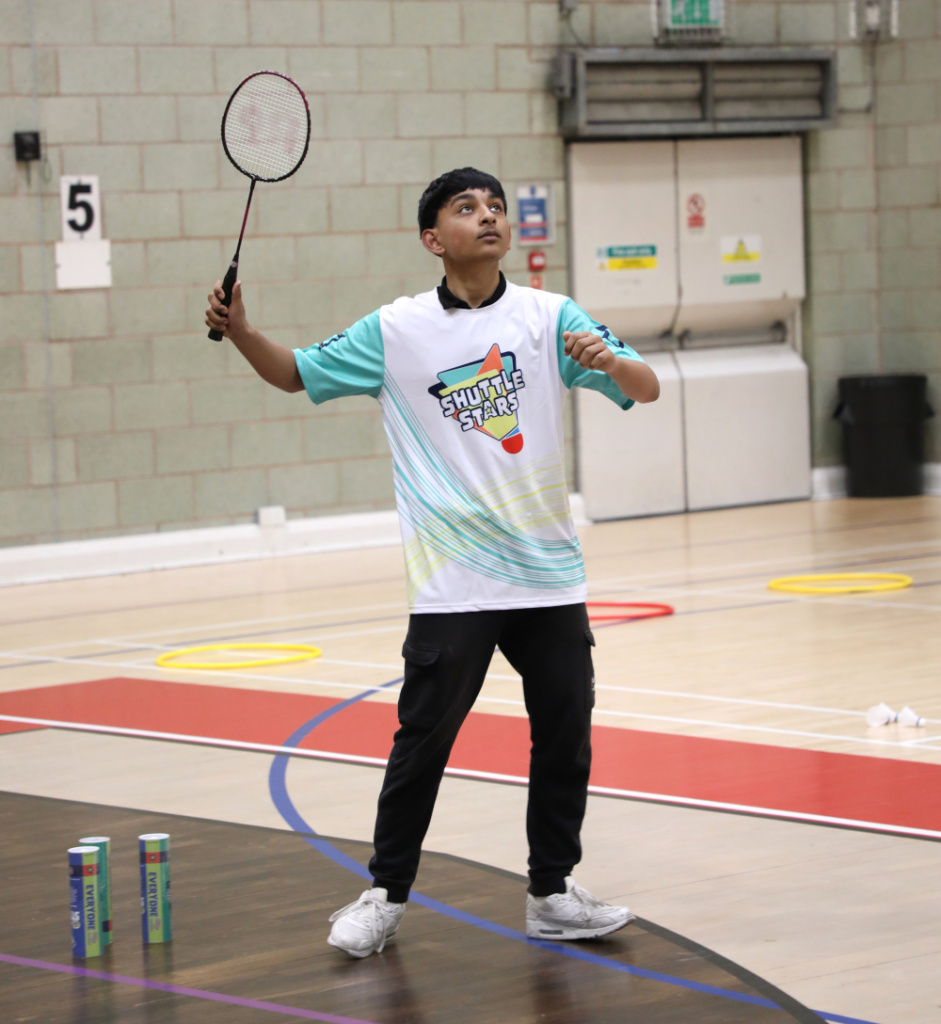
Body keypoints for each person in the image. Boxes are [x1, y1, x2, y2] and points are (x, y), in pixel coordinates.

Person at [205, 167, 660, 959]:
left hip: (547, 577)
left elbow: (644, 387)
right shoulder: (396, 330)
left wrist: (613, 363)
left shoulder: (550, 317)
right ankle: (383, 895)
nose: (487, 216)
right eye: (465, 207)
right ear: (431, 239)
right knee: (422, 743)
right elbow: (295, 373)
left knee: (565, 737)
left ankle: (551, 892)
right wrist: (243, 331)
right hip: (453, 582)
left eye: (495, 207)